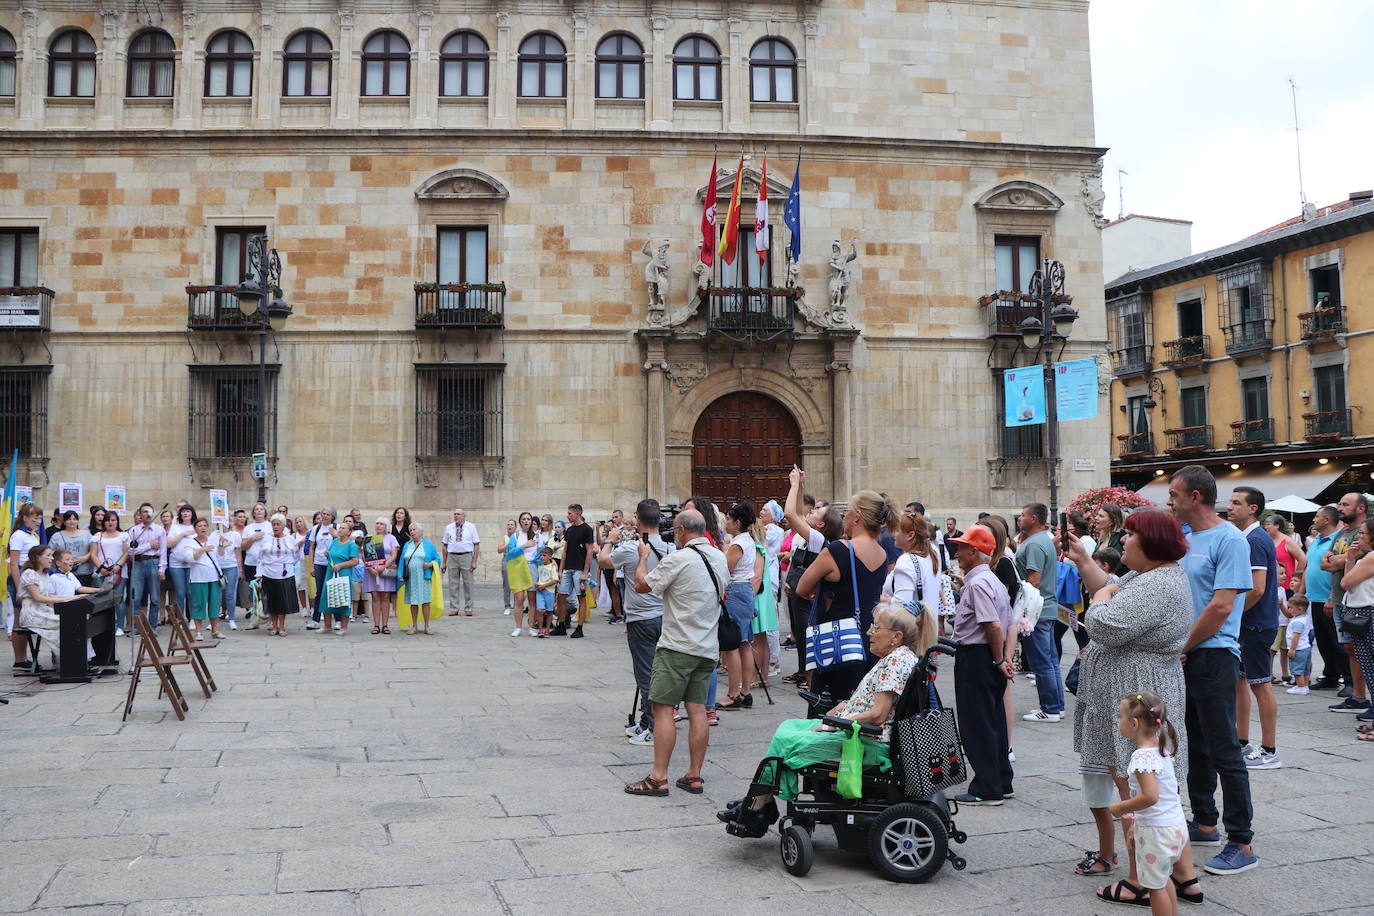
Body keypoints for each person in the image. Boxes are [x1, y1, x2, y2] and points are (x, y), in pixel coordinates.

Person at [716, 599, 936, 835]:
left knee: (789, 743)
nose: (869, 632)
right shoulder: (902, 658)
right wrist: (842, 708)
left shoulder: (895, 662)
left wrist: (833, 723)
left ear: (896, 636)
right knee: (789, 727)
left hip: (868, 742)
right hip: (863, 733)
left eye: (876, 628)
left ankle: (759, 805)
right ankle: (762, 801)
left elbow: (878, 714)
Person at [1062, 510, 1194, 902]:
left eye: (1131, 536)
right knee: (1160, 786)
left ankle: (1139, 879)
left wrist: (1099, 598)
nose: (1123, 543)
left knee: (1132, 779)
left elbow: (1104, 622)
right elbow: (1114, 585)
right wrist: (1087, 564)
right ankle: (1185, 876)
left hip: (1138, 691)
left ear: (1150, 543)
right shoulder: (1153, 576)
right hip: (1137, 686)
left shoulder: (1159, 584)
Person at [1166, 465, 1256, 875]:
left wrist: (1184, 646)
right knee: (1192, 743)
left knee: (1224, 749)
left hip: (1214, 655)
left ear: (1195, 497)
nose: (1170, 500)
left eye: (1174, 494)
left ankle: (1242, 841)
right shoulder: (1184, 538)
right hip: (1184, 655)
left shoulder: (1230, 540)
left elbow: (1221, 606)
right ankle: (1205, 822)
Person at [623, 509, 727, 798]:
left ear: (680, 530)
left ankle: (658, 778)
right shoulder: (719, 557)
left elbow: (642, 586)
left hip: (677, 646)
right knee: (698, 711)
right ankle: (694, 775)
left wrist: (643, 557)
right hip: (707, 647)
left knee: (662, 709)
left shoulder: (678, 558)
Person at [796, 485, 897, 702]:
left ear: (857, 517)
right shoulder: (881, 552)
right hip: (868, 639)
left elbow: (802, 589)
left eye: (847, 512)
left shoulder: (838, 550)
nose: (844, 517)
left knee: (829, 709)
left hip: (836, 641)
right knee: (858, 705)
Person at [1097, 692, 1192, 916]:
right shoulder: (1162, 748)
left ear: (1134, 723)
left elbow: (1150, 796)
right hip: (1174, 827)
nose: (1118, 722)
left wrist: (1121, 808)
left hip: (1157, 832)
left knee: (1154, 887)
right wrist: (1136, 828)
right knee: (1163, 877)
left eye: (1120, 717)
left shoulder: (1142, 757)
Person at [948, 524, 1016, 806]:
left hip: (976, 656)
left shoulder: (977, 584)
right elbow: (1009, 622)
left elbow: (993, 624)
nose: (957, 552)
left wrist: (999, 658)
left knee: (977, 724)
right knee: (994, 719)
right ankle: (1001, 779)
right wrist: (1003, 658)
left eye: (962, 547)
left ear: (974, 552)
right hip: (988, 655)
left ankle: (987, 788)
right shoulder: (992, 581)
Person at [604, 500, 673, 746]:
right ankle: (646, 721)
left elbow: (604, 560)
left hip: (640, 619)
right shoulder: (670, 547)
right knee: (658, 672)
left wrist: (611, 538)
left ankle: (653, 729)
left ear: (638, 520)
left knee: (645, 675)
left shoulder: (631, 547)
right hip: (664, 617)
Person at [1226, 487, 1281, 770]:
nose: (1230, 507)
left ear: (1253, 509)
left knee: (1261, 685)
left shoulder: (1256, 540)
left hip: (1257, 624)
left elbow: (1257, 589)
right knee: (1240, 684)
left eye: (1237, 503)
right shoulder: (1247, 538)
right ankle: (1242, 742)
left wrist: (1229, 616)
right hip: (1248, 623)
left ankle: (1270, 750)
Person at [1016, 502, 1064, 723]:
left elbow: (1033, 581)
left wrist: (1021, 609)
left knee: (1042, 662)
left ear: (1033, 518)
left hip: (1037, 612)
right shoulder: (1044, 540)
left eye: (1023, 515)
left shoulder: (1035, 544)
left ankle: (1050, 708)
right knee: (1050, 660)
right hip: (1046, 609)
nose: (1020, 518)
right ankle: (1056, 706)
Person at [1324, 493, 1371, 715]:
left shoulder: (1367, 532)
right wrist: (1337, 562)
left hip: (1362, 601)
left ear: (1361, 508)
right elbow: (1326, 563)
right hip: (1342, 599)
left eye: (1345, 504)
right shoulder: (1342, 533)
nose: (1339, 508)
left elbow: (1341, 563)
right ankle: (1358, 697)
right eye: (1340, 503)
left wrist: (1338, 561)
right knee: (1351, 648)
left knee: (1363, 650)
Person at [16, 545, 92, 668]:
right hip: (32, 613)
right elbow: (38, 598)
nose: (51, 558)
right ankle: (71, 661)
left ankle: (80, 660)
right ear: (37, 558)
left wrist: (74, 598)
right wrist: (70, 598)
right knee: (69, 623)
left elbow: (50, 596)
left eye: (51, 555)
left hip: (43, 610)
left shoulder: (45, 575)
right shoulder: (29, 574)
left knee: (78, 621)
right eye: (48, 556)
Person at [717, 501, 761, 711]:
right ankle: (745, 691)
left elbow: (725, 570)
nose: (726, 522)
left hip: (736, 591)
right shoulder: (748, 541)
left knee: (731, 645)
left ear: (737, 522)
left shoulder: (738, 544)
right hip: (744, 591)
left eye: (728, 519)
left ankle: (733, 694)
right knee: (744, 643)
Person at [1306, 506, 1349, 691]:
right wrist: (1301, 593)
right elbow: (1310, 566)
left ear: (1327, 520)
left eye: (1317, 516)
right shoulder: (1316, 540)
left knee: (1337, 642)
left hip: (1329, 599)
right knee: (1323, 642)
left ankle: (1349, 680)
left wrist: (1331, 597)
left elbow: (1339, 570)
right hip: (1314, 598)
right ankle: (1330, 676)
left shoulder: (1338, 539)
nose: (1314, 519)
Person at [1339, 518, 1374, 742]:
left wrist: (1350, 559)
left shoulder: (1371, 557)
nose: (1358, 537)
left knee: (1371, 667)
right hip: (1363, 616)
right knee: (1369, 668)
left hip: (1367, 616)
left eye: (1362, 533)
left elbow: (1345, 583)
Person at [8, 503, 43, 671]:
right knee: (18, 619)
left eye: (40, 518)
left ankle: (25, 657)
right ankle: (20, 659)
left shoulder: (33, 535)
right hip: (21, 577)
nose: (38, 521)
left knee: (26, 618)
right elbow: (13, 564)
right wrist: (19, 587)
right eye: (35, 518)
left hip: (31, 576)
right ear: (25, 518)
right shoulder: (18, 536)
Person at [257, 514, 300, 636]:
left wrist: (287, 565)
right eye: (273, 524)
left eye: (278, 524)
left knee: (283, 602)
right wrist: (259, 573)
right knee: (271, 601)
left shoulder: (290, 539)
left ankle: (282, 627)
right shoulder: (266, 538)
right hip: (269, 573)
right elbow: (260, 557)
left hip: (285, 574)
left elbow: (296, 555)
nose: (275, 527)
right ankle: (274, 626)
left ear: (283, 525)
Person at [123, 503, 164, 630]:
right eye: (144, 512)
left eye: (150, 511)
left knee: (155, 597)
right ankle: (136, 627)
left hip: (154, 562)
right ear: (140, 515)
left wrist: (162, 568)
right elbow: (130, 551)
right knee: (136, 596)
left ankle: (152, 627)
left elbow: (163, 551)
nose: (148, 514)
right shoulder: (134, 530)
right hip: (139, 563)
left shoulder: (159, 530)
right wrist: (148, 546)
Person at [557, 504, 595, 637]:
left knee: (581, 597)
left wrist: (585, 572)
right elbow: (565, 551)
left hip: (579, 569)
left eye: (570, 513)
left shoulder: (586, 529)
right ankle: (561, 625)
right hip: (568, 568)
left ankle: (580, 627)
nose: (568, 516)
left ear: (577, 513)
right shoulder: (570, 530)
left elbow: (590, 551)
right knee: (561, 596)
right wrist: (561, 569)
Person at [186, 517, 227, 640]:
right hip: (198, 578)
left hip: (214, 577)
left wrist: (221, 546)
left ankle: (215, 630)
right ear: (195, 529)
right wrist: (203, 549)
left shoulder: (213, 540)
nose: (203, 528)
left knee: (215, 604)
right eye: (199, 526)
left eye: (204, 526)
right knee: (199, 604)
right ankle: (198, 631)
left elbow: (221, 558)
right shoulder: (190, 542)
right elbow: (189, 558)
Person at [397, 522, 440, 635]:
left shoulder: (428, 545)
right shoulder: (407, 545)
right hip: (411, 578)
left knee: (425, 602)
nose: (412, 532)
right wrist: (400, 575)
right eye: (410, 530)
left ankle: (427, 626)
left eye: (414, 530)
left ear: (421, 532)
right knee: (413, 602)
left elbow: (437, 559)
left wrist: (430, 564)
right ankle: (414, 625)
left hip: (423, 577)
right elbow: (402, 560)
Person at [91, 510, 129, 631]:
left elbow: (126, 553)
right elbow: (93, 554)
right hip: (101, 572)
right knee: (103, 599)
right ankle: (105, 626)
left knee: (118, 598)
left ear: (117, 521)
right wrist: (100, 568)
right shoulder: (97, 536)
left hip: (119, 572)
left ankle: (120, 626)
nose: (110, 522)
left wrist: (118, 566)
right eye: (107, 520)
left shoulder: (123, 535)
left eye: (113, 520)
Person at [441, 507, 480, 617]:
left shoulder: (471, 527)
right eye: (454, 514)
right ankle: (454, 607)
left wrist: (474, 561)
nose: (456, 516)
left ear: (463, 516)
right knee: (453, 583)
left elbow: (476, 544)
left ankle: (469, 607)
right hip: (452, 556)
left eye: (458, 514)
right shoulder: (449, 527)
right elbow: (444, 545)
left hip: (466, 556)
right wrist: (444, 561)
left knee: (468, 583)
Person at [364, 517, 400, 635]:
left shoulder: (391, 538)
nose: (378, 525)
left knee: (385, 596)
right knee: (375, 596)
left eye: (381, 524)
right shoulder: (370, 538)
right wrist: (370, 568)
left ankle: (385, 625)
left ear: (386, 526)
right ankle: (375, 625)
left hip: (385, 570)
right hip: (373, 571)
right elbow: (365, 555)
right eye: (377, 523)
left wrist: (383, 566)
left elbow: (394, 555)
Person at [323, 520, 360, 635]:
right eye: (340, 528)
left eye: (343, 528)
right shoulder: (334, 541)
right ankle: (327, 625)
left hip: (344, 573)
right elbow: (332, 555)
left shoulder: (352, 545)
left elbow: (355, 561)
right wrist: (327, 554)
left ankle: (344, 627)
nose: (340, 530)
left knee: (343, 598)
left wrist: (340, 565)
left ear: (349, 532)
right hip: (331, 572)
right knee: (326, 597)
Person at [163, 505, 197, 624]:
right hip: (176, 564)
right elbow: (169, 543)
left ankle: (193, 618)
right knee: (180, 592)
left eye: (188, 511)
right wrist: (182, 534)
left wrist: (189, 557)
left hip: (191, 563)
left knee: (190, 592)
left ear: (192, 513)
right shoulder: (175, 527)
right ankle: (180, 618)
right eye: (183, 512)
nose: (185, 513)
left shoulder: (196, 526)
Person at [305, 506, 336, 630]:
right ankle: (316, 619)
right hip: (319, 563)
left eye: (327, 514)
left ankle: (337, 620)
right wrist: (311, 566)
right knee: (319, 592)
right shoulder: (316, 529)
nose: (324, 516)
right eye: (323, 514)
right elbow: (312, 548)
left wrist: (336, 535)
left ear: (332, 516)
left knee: (333, 591)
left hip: (332, 564)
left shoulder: (336, 528)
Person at [48, 510, 94, 585]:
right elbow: (51, 552)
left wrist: (85, 558)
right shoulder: (56, 536)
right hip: (63, 573)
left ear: (78, 521)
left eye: (74, 519)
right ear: (64, 521)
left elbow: (94, 550)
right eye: (69, 519)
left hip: (84, 572)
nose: (72, 521)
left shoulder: (87, 534)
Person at [217, 512, 243, 630]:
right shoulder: (213, 535)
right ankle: (214, 619)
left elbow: (238, 554)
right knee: (216, 594)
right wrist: (221, 544)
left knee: (230, 593)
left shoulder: (235, 535)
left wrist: (240, 569)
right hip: (218, 567)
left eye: (226, 520)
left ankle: (231, 618)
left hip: (231, 566)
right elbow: (218, 553)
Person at [1284, 594, 1313, 695]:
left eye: (1291, 608)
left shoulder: (1297, 622)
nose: (1289, 610)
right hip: (1306, 647)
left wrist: (1292, 649)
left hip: (1299, 649)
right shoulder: (1305, 618)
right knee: (1306, 669)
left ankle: (1301, 687)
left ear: (1300, 609)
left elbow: (1296, 636)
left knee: (1297, 669)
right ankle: (1304, 685)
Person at [241, 503, 271, 586]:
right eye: (256, 509)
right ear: (253, 513)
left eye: (261, 509)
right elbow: (243, 547)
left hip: (267, 563)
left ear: (265, 512)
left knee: (266, 591)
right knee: (253, 591)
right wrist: (252, 538)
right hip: (251, 563)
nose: (259, 511)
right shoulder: (248, 528)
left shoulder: (271, 526)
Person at [532, 546, 558, 636]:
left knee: (549, 611)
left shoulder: (552, 568)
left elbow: (555, 580)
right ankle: (540, 630)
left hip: (549, 592)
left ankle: (547, 629)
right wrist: (538, 584)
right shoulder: (540, 565)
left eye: (544, 555)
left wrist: (544, 586)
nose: (542, 557)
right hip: (540, 591)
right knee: (539, 610)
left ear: (550, 556)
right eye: (541, 555)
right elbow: (534, 559)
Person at [500, 518, 516, 615]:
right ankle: (507, 605)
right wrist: (508, 545)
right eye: (508, 524)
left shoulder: (518, 536)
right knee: (506, 584)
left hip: (516, 559)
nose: (509, 526)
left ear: (515, 527)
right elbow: (499, 549)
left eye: (512, 525)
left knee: (517, 583)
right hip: (506, 559)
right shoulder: (504, 537)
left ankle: (517, 604)